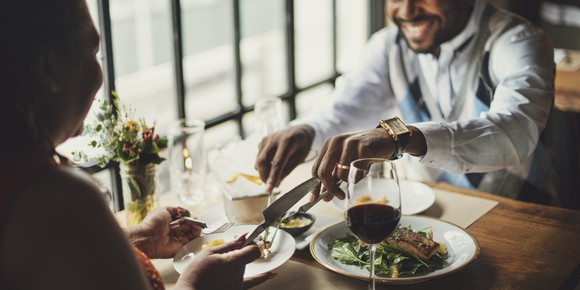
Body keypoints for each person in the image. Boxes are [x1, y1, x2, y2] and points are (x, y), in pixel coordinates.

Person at [0, 1, 272, 289]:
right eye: (94, 53)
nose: (100, 77)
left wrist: (139, 240)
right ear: (47, 69)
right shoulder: (61, 197)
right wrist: (194, 285)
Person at [255, 0, 558, 205]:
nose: (407, 11)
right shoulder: (388, 46)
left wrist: (400, 138)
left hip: (520, 210)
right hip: (434, 209)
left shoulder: (519, 41)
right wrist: (307, 130)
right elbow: (344, 109)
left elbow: (515, 132)